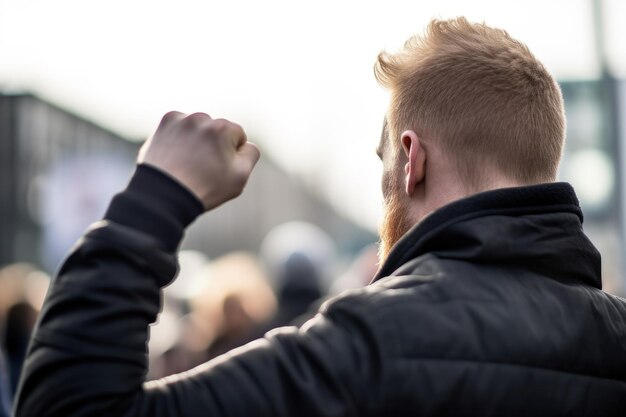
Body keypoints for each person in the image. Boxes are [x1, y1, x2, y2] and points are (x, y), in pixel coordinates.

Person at [14, 17, 626, 416]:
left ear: (409, 160)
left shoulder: (365, 345)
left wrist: (155, 196)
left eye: (383, 155)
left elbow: (69, 407)